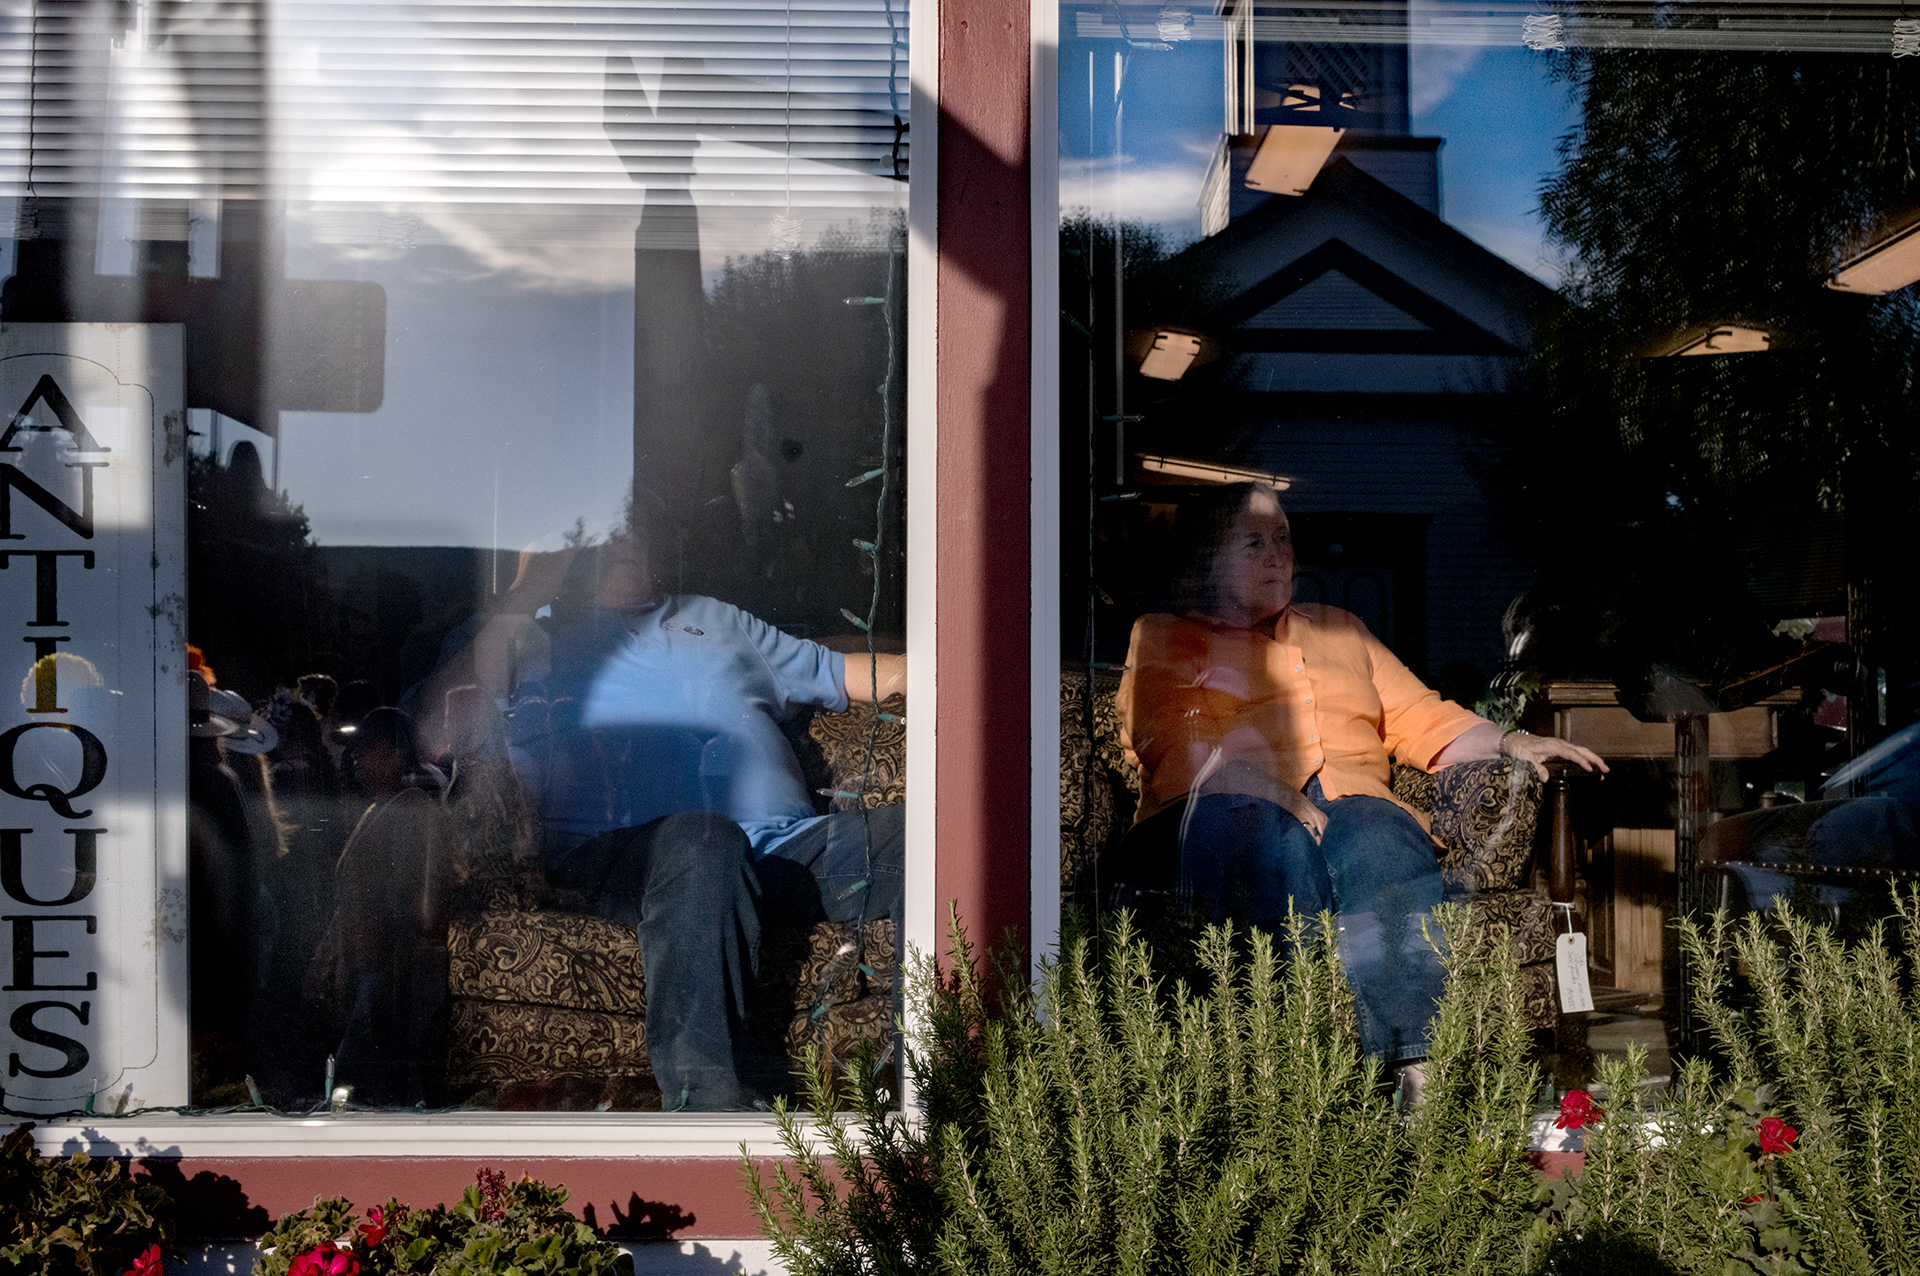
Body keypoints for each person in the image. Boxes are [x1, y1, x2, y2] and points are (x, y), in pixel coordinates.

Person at [1115, 483, 1603, 1079]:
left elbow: (1419, 715)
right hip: (1226, 807)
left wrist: (1511, 741)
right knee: (1275, 847)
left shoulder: (1340, 629)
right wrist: (1276, 794)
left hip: (1350, 805)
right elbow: (1172, 736)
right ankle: (1286, 1072)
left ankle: (1418, 1069)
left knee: (1384, 838)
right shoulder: (1166, 635)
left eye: (1283, 540)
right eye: (1254, 544)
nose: (1278, 556)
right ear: (1208, 561)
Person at [504, 514, 906, 1110]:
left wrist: (965, 666)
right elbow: (462, 699)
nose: (624, 538)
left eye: (635, 525)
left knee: (927, 836)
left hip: (781, 850)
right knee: (704, 840)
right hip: (633, 860)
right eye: (606, 529)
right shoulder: (544, 636)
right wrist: (525, 593)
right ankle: (705, 1111)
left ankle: (941, 1090)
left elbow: (855, 673)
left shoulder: (718, 619)